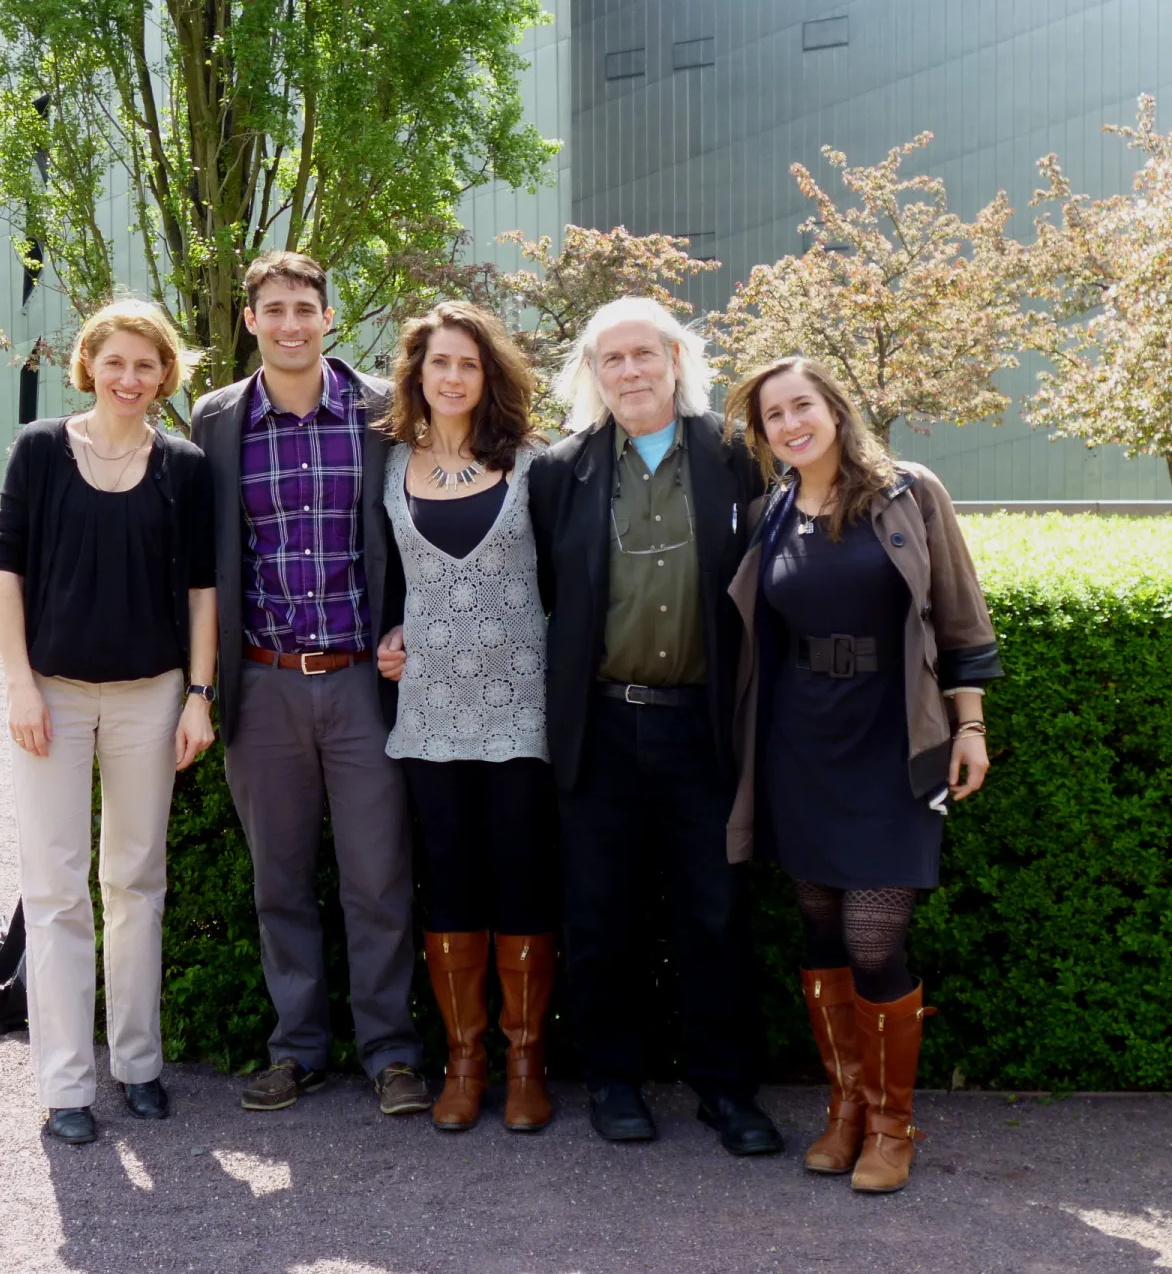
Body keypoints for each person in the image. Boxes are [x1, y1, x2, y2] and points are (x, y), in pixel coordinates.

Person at [722, 356, 1003, 1194]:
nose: (790, 424)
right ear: (762, 434)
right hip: (800, 743)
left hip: (892, 737)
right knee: (818, 929)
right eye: (773, 416)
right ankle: (844, 1112)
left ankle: (892, 1124)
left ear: (835, 409)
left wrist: (972, 727)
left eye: (801, 405)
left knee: (873, 937)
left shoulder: (910, 494)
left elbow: (961, 618)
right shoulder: (767, 512)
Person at [527, 295, 780, 1155]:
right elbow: (549, 599)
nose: (630, 372)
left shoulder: (736, 457)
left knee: (714, 914)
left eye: (644, 355)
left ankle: (726, 1092)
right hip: (599, 727)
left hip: (704, 726)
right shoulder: (562, 470)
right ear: (593, 375)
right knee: (603, 916)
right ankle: (614, 1080)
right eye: (613, 360)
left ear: (676, 358)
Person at [189, 251, 429, 1116]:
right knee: (279, 881)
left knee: (377, 879)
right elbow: (204, 560)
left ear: (330, 316)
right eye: (274, 310)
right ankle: (296, 1048)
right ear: (249, 321)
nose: (291, 323)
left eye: (306, 308)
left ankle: (391, 1053)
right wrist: (200, 685)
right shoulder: (216, 420)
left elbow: (422, 534)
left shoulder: (381, 413)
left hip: (366, 682)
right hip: (263, 685)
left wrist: (411, 627)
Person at [0, 299, 218, 1146]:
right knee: (53, 889)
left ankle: (138, 1065)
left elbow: (204, 589)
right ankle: (65, 1084)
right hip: (50, 692)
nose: (130, 378)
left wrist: (200, 695)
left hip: (150, 695)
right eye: (115, 362)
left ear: (166, 376)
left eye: (147, 365)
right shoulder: (42, 451)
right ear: (89, 363)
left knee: (134, 882)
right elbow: (5, 571)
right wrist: (19, 686)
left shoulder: (185, 466)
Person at [372, 301, 555, 1133]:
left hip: (521, 706)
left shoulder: (534, 465)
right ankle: (464, 1061)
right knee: (448, 881)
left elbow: (572, 581)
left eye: (468, 365)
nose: (451, 377)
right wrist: (388, 635)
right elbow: (386, 583)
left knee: (522, 876)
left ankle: (523, 1063)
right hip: (431, 710)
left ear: (491, 377)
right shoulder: (390, 467)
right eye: (438, 363)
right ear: (417, 375)